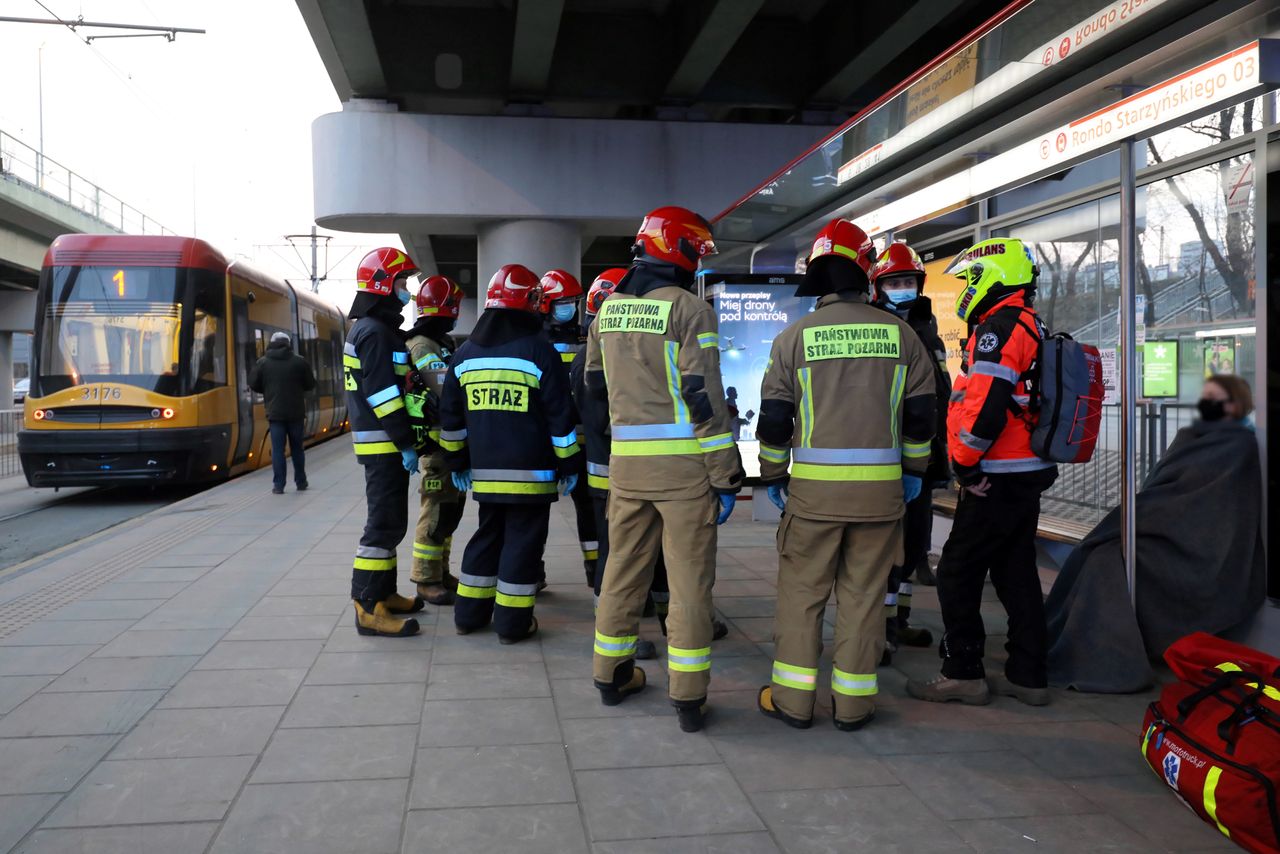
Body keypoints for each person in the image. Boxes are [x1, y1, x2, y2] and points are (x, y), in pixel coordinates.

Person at [755, 219, 935, 732]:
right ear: (867, 274)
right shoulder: (902, 336)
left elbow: (773, 419)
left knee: (801, 597)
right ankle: (854, 706)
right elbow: (922, 417)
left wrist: (772, 474)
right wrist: (913, 471)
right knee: (863, 599)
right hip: (881, 498)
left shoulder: (793, 338)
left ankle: (792, 702)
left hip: (811, 499)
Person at [585, 205, 744, 733]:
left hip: (627, 469)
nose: (699, 262)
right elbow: (704, 399)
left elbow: (593, 391)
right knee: (689, 584)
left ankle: (610, 677)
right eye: (698, 252)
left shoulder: (606, 311)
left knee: (621, 574)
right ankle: (688, 697)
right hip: (683, 473)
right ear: (679, 250)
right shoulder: (690, 310)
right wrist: (726, 475)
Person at [906, 237, 1057, 707]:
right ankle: (1027, 674)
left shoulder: (999, 328)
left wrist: (966, 467)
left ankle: (963, 672)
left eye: (972, 278)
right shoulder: (1028, 322)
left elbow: (986, 408)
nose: (969, 286)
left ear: (994, 276)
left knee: (956, 569)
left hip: (998, 471)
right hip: (1025, 468)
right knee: (1015, 570)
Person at [1045, 374, 1266, 692]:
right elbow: (1163, 487)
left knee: (1107, 561)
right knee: (1100, 553)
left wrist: (1149, 515)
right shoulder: (1193, 436)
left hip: (1197, 546)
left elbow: (1216, 505)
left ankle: (1107, 653)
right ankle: (1085, 643)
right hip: (1166, 531)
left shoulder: (1238, 444)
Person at [439, 264, 580, 644]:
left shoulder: (464, 354)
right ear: (530, 303)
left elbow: (450, 419)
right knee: (522, 544)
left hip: (484, 475)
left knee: (487, 537)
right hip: (531, 476)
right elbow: (559, 418)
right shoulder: (540, 352)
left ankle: (468, 615)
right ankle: (512, 625)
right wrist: (569, 464)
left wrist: (457, 462)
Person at [869, 242, 952, 658]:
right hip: (890, 455)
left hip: (925, 453)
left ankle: (899, 621)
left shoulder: (927, 327)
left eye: (907, 281)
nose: (902, 288)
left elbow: (940, 390)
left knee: (915, 544)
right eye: (894, 282)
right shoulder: (876, 329)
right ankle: (880, 629)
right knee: (887, 547)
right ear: (877, 287)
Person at [571, 267, 659, 660]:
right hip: (613, 469)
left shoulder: (598, 354)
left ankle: (647, 611)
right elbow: (602, 415)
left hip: (619, 467)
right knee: (617, 551)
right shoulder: (596, 359)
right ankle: (615, 629)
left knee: (638, 546)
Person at [344, 247, 426, 638]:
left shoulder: (372, 329)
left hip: (381, 443)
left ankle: (385, 594)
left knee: (391, 522)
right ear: (382, 285)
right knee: (381, 526)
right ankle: (367, 607)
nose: (406, 290)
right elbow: (383, 396)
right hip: (384, 444)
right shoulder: (375, 333)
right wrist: (406, 442)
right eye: (402, 282)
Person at [404, 275, 467, 606]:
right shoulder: (423, 346)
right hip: (434, 447)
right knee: (434, 514)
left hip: (446, 444)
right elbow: (445, 390)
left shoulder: (437, 343)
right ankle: (426, 579)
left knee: (448, 513)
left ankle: (440, 572)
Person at [539, 269, 599, 586]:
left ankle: (595, 570)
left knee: (588, 508)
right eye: (563, 302)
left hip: (583, 435)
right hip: (546, 438)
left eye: (574, 301)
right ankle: (531, 569)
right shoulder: (535, 339)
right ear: (546, 304)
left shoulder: (585, 336)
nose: (570, 308)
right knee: (535, 511)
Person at [248, 331, 316, 494]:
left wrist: (267, 390)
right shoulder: (299, 362)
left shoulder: (263, 363)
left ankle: (279, 485)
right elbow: (310, 384)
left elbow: (253, 383)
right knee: (297, 448)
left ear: (272, 343)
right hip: (296, 413)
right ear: (288, 343)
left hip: (275, 414)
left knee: (278, 450)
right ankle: (301, 481)